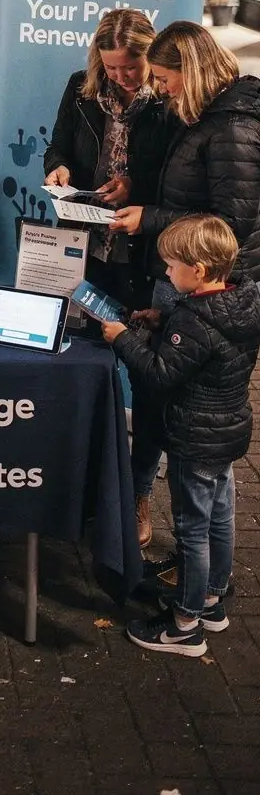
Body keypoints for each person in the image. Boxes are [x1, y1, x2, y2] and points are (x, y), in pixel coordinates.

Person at [44, 9, 177, 549]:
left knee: (146, 379)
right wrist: (59, 169)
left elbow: (175, 178)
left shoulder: (168, 99)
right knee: (80, 361)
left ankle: (139, 492)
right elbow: (58, 145)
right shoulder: (82, 88)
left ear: (150, 55)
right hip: (87, 249)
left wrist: (134, 186)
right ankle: (81, 478)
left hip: (142, 257)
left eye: (131, 67)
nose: (122, 77)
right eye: (113, 67)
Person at [102, 216, 260, 657]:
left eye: (172, 267)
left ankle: (184, 625)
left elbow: (158, 375)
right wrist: (165, 319)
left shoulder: (192, 321)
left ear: (200, 270)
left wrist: (123, 340)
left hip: (194, 438)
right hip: (227, 431)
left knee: (192, 529)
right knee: (220, 516)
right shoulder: (243, 301)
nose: (167, 274)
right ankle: (211, 601)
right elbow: (208, 340)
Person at [111, 22, 260, 293]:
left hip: (212, 285)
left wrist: (149, 219)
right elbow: (186, 182)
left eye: (164, 79)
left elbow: (230, 225)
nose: (162, 90)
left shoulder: (232, 129)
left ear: (191, 71)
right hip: (188, 272)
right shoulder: (204, 113)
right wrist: (135, 186)